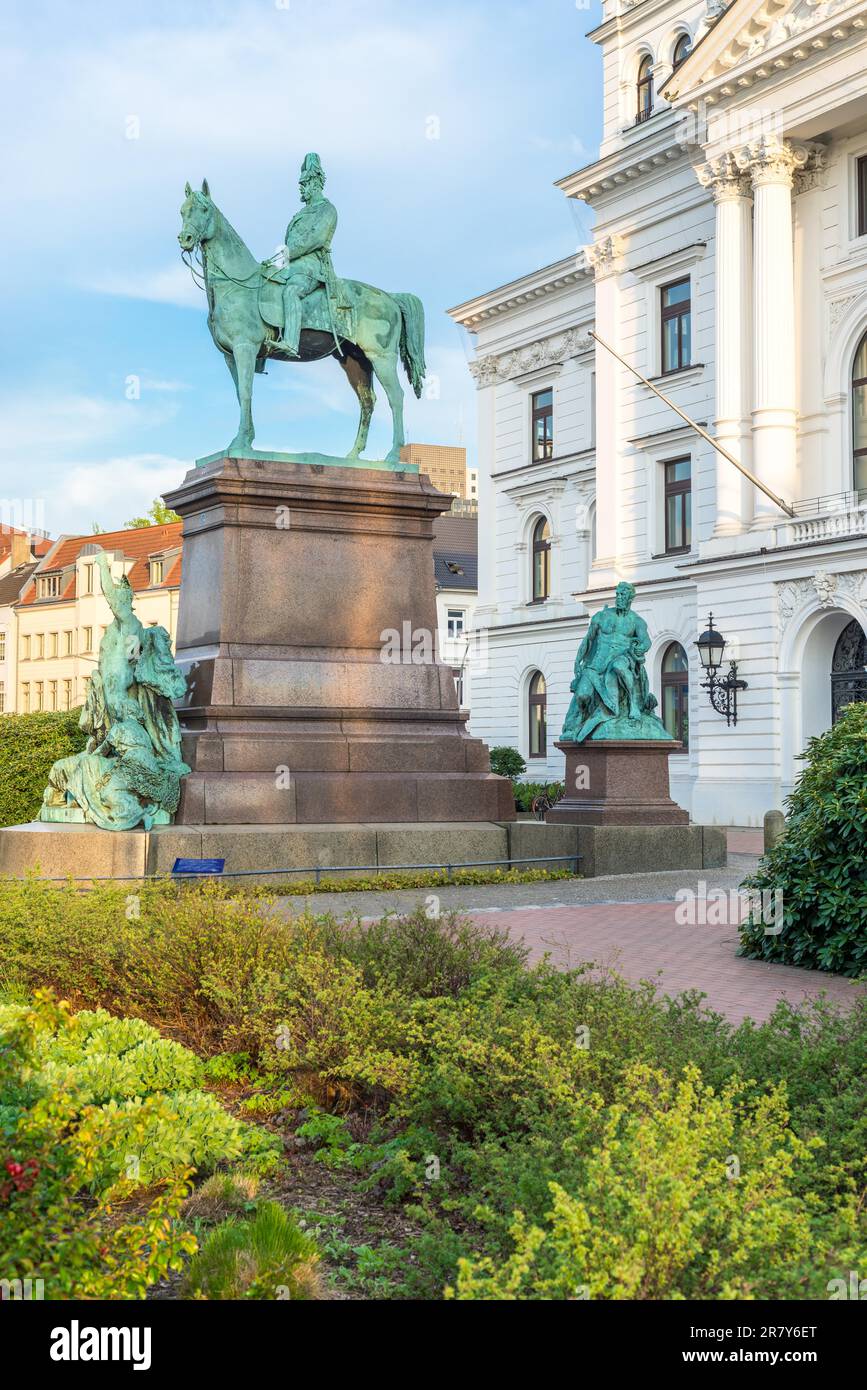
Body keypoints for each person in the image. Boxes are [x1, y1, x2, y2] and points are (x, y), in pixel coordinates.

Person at [271, 152, 338, 357]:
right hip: (291, 267)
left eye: (304, 184)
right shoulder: (299, 214)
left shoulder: (327, 209)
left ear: (315, 183)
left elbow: (315, 239)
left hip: (311, 269)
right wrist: (275, 262)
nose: (300, 188)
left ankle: (291, 342)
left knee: (290, 292)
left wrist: (289, 253)